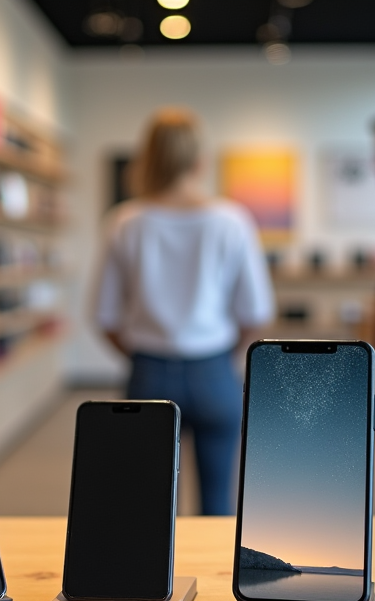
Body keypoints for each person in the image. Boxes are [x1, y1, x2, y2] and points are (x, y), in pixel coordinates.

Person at [95, 108, 275, 517]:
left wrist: (145, 356)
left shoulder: (124, 222)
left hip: (149, 372)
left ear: (149, 158)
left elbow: (105, 317)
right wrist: (223, 359)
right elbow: (257, 313)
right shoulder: (231, 221)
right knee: (218, 505)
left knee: (148, 509)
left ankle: (156, 582)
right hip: (215, 372)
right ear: (200, 160)